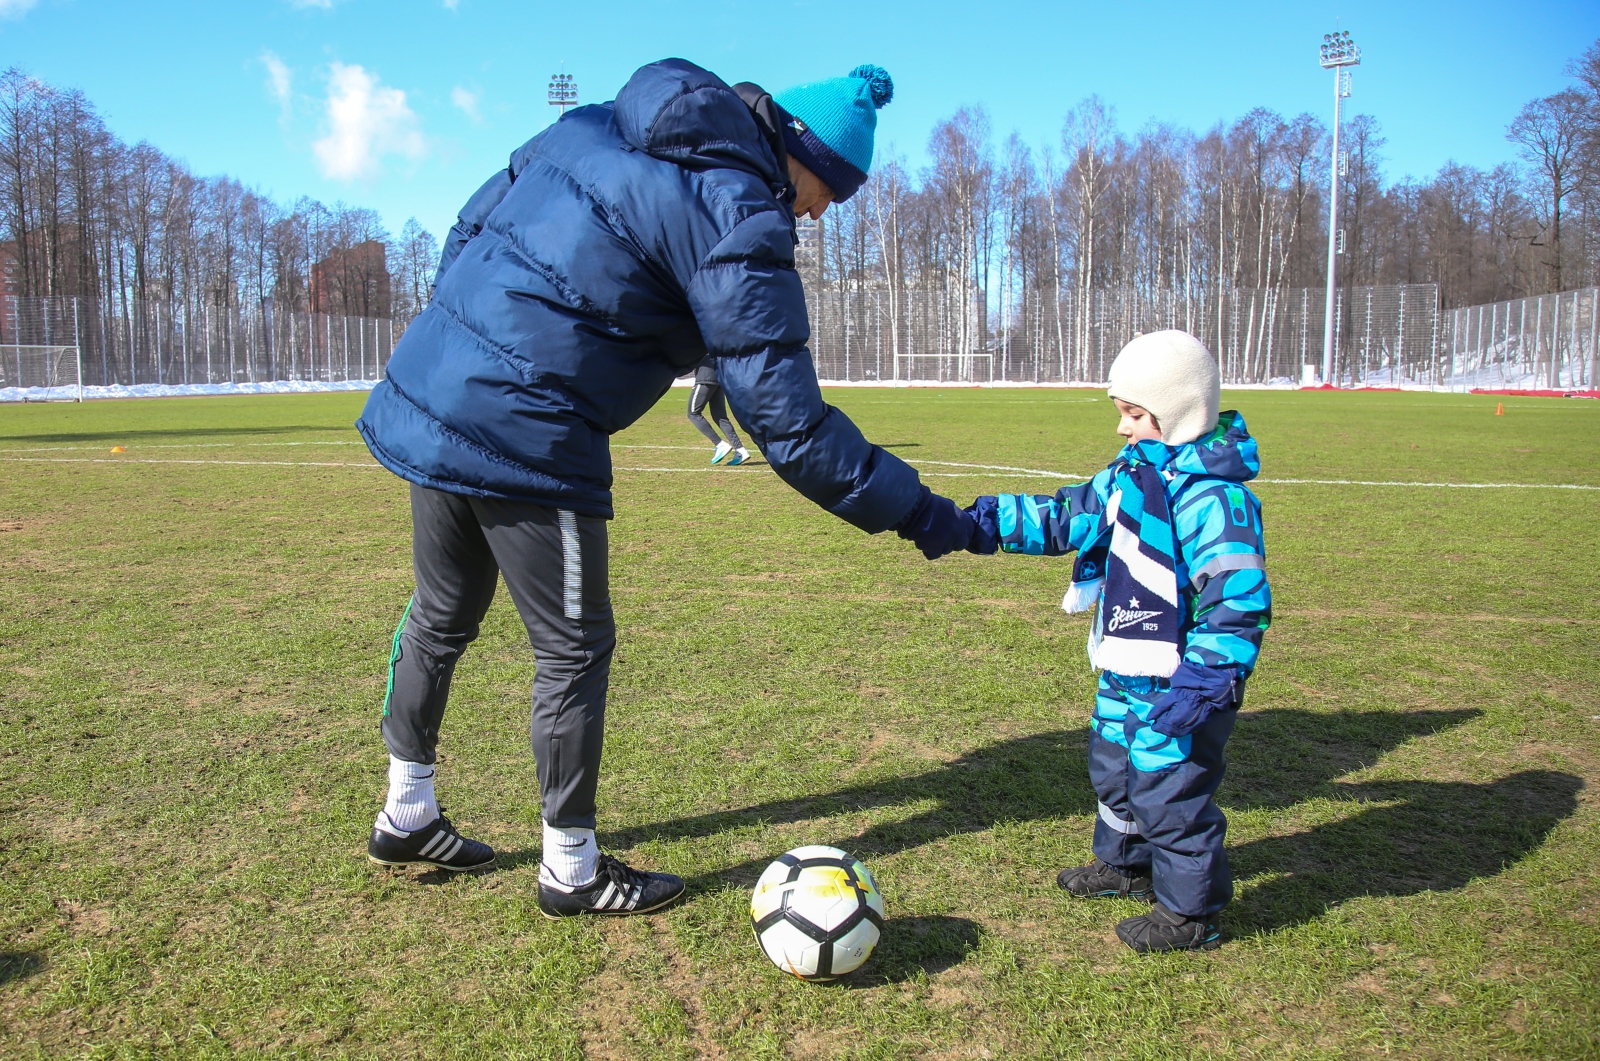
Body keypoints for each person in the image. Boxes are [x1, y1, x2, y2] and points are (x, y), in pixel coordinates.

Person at [356, 59, 973, 918]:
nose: (820, 211)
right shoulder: (737, 205)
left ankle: (406, 808)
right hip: (532, 423)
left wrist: (468, 333)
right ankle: (570, 867)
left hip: (439, 384)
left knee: (440, 612)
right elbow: (789, 425)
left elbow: (474, 216)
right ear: (799, 153)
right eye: (829, 189)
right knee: (572, 647)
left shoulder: (596, 123)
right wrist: (916, 511)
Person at [962, 331, 1271, 952]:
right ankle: (1124, 864)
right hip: (1124, 664)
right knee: (1114, 769)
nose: (1123, 428)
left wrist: (1208, 680)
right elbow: (1065, 516)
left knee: (1170, 789)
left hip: (1182, 681)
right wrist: (982, 520)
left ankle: (1189, 915)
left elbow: (1237, 602)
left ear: (1176, 411)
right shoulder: (1128, 476)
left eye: (1134, 414)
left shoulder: (1216, 499)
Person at [686, 359, 749, 465]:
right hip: (719, 378)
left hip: (705, 376)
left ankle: (720, 445)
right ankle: (741, 450)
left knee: (693, 413)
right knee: (720, 417)